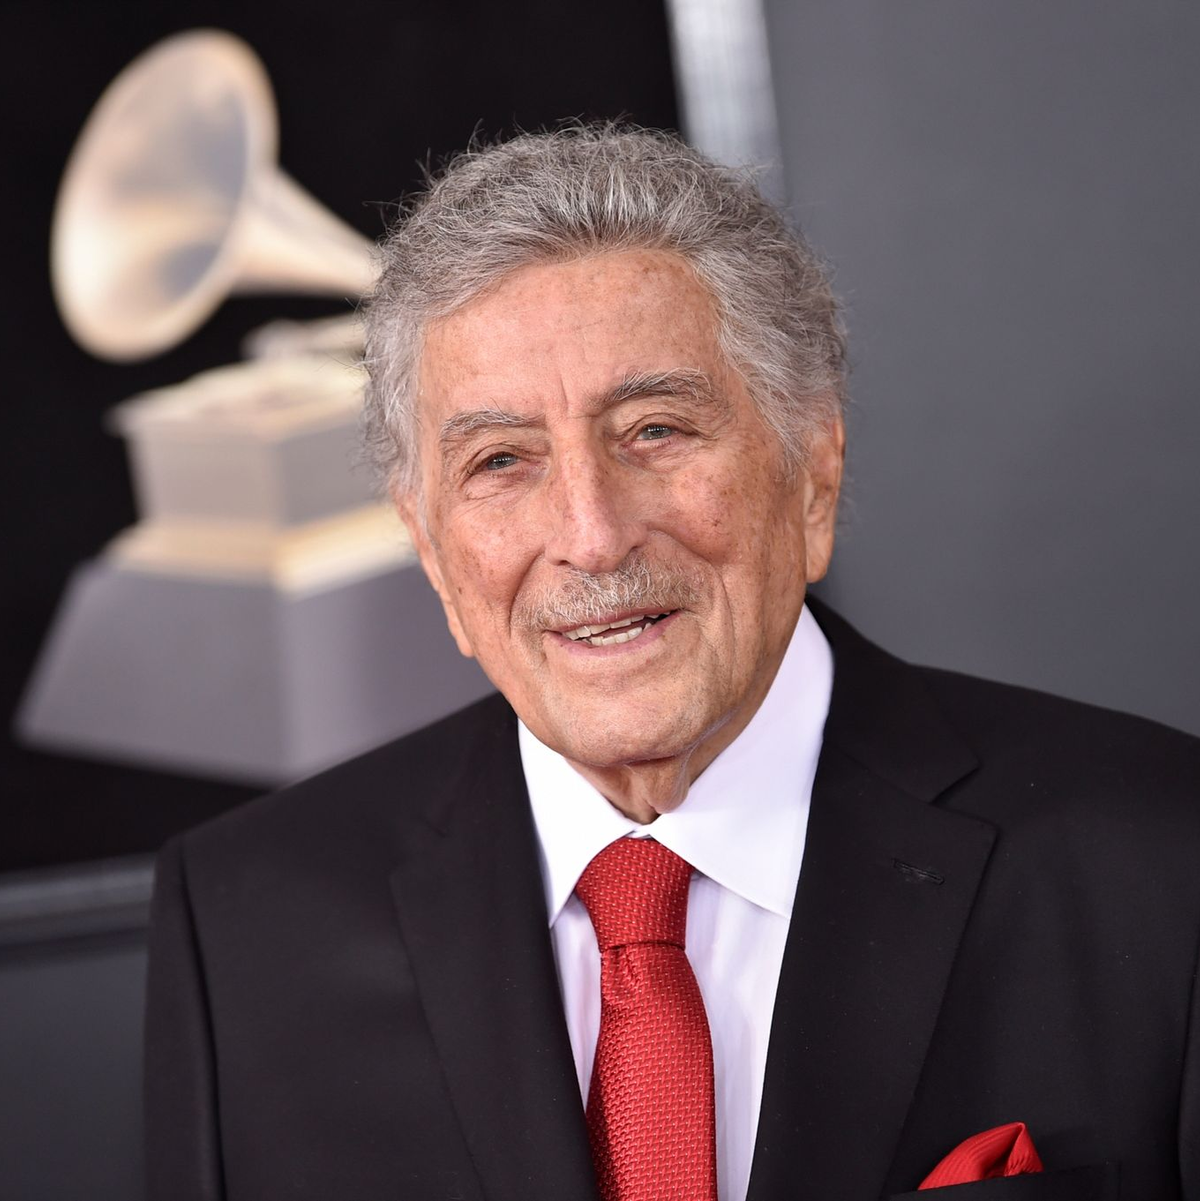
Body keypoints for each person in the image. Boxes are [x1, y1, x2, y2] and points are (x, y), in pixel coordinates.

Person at [144, 126, 1200, 1201]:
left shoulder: (1163, 859)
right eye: (501, 460)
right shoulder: (242, 928)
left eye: (655, 430)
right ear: (430, 549)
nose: (593, 536)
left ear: (813, 474)